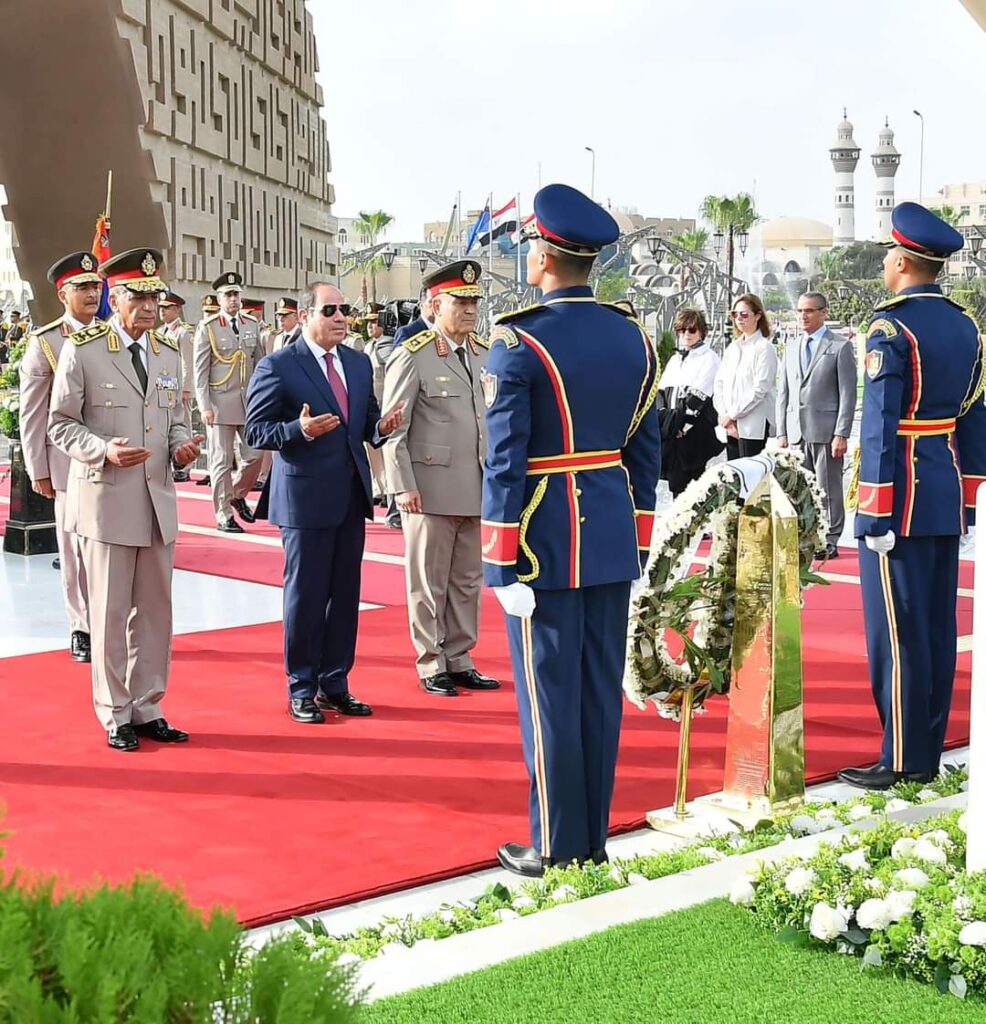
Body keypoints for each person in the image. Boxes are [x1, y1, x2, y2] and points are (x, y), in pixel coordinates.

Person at [481, 184, 661, 877]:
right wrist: (638, 539)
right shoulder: (633, 335)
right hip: (611, 531)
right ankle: (591, 837)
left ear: (547, 256)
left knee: (549, 697)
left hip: (541, 538)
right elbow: (643, 451)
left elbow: (505, 461)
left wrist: (500, 560)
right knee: (595, 695)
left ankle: (556, 842)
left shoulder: (519, 342)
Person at [838, 203, 986, 790]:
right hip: (943, 489)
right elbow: (975, 421)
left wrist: (873, 508)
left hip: (898, 493)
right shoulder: (965, 325)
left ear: (901, 260)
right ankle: (924, 740)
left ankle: (904, 756)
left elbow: (879, 426)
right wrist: (968, 498)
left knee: (895, 632)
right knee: (934, 627)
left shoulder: (889, 329)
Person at [48, 248, 203, 751]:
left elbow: (176, 414)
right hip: (108, 501)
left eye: (155, 296)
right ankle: (114, 712)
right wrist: (102, 450)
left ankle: (148, 704)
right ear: (116, 296)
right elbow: (60, 424)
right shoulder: (85, 348)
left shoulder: (167, 352)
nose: (150, 305)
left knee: (155, 613)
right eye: (139, 296)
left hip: (158, 502)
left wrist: (182, 443)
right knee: (111, 614)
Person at [244, 283, 405, 724]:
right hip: (304, 498)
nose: (340, 317)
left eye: (344, 310)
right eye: (329, 310)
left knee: (345, 594)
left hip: (351, 495)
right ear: (306, 316)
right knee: (307, 595)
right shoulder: (279, 365)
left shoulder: (356, 362)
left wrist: (383, 426)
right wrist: (299, 431)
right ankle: (301, 686)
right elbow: (255, 432)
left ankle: (336, 683)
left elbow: (367, 419)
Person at [382, 261, 500, 697]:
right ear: (435, 306)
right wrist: (402, 485)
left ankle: (460, 656)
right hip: (428, 489)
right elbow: (393, 428)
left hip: (475, 485)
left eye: (474, 301)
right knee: (428, 582)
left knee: (467, 581)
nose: (470, 310)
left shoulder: (485, 354)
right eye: (461, 302)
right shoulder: (413, 355)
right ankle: (431, 661)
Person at [19, 251, 100, 661]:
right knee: (72, 548)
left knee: (110, 547)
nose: (92, 294)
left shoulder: (112, 334)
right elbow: (32, 413)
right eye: (82, 287)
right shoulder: (47, 341)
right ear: (62, 292)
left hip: (111, 460)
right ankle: (81, 624)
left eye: (96, 286)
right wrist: (38, 468)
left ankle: (111, 619)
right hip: (67, 462)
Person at [776, 291, 857, 559]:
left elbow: (848, 393)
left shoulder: (840, 346)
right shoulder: (790, 347)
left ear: (824, 313)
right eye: (800, 311)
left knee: (828, 488)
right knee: (800, 489)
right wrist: (782, 431)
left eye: (809, 311)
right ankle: (805, 537)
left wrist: (841, 432)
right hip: (796, 430)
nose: (803, 316)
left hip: (825, 429)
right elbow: (784, 392)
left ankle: (830, 538)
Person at [193, 271, 265, 532]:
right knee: (221, 463)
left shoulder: (251, 324)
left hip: (249, 403)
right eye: (228, 295)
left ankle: (236, 493)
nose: (233, 299)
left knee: (255, 455)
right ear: (219, 299)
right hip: (220, 403)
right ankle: (223, 514)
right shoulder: (208, 327)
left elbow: (260, 364)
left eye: (236, 294)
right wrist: (204, 406)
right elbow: (200, 370)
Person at [657, 307, 723, 495]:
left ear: (701, 332)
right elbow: (661, 392)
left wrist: (681, 427)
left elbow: (698, 398)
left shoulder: (710, 359)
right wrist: (665, 423)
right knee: (675, 486)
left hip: (694, 434)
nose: (686, 334)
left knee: (694, 491)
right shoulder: (675, 359)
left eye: (692, 330)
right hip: (673, 434)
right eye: (682, 330)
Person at [714, 293, 777, 459]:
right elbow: (719, 384)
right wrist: (724, 415)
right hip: (729, 425)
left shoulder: (764, 348)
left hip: (752, 426)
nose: (739, 319)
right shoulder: (733, 348)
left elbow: (760, 389)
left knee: (753, 479)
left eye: (744, 314)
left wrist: (733, 414)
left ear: (757, 315)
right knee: (733, 477)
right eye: (735, 314)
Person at [364, 301, 401, 528]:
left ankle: (390, 497)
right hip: (372, 411)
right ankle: (381, 490)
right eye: (368, 323)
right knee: (375, 459)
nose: (370, 326)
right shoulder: (369, 346)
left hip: (387, 411)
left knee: (391, 459)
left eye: (375, 322)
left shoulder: (387, 347)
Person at [158, 290, 195, 482]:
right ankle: (174, 462)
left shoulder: (183, 332)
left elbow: (187, 362)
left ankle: (185, 467)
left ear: (177, 310)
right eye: (161, 308)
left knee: (183, 424)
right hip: (164, 386)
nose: (162, 312)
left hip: (179, 387)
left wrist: (186, 388)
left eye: (167, 308)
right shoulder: (159, 332)